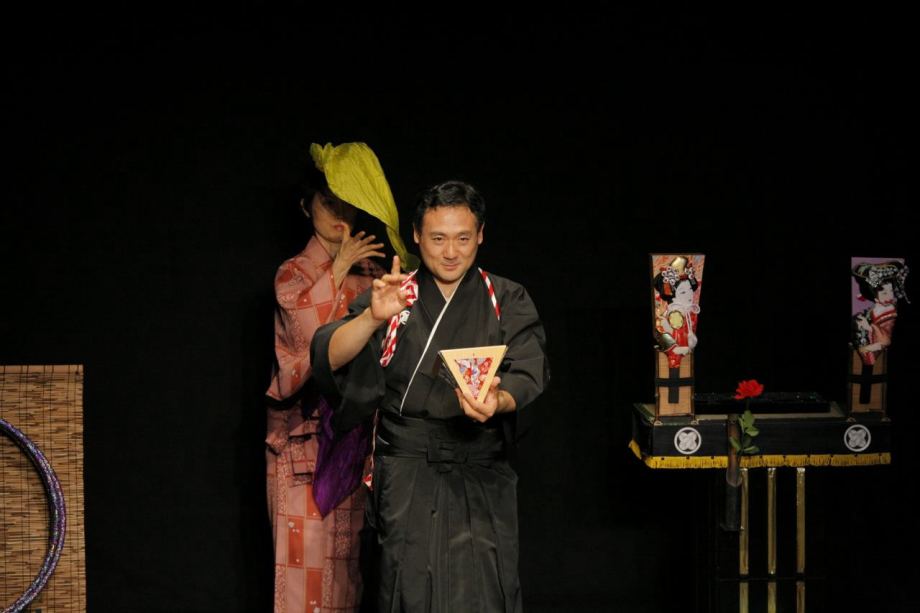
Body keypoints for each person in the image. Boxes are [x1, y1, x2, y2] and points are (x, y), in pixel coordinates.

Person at [310, 180, 549, 612]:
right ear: (417, 236)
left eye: (463, 238)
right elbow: (329, 355)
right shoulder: (394, 295)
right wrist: (371, 318)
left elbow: (529, 368)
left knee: (486, 592)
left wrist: (498, 401)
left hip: (481, 466)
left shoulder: (505, 297)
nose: (451, 252)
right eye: (438, 238)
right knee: (408, 592)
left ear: (481, 235)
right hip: (407, 469)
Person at [265, 142, 415, 613]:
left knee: (346, 579)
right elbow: (311, 346)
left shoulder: (374, 273)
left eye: (346, 203)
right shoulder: (293, 273)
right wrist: (339, 268)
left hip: (354, 443)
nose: (339, 214)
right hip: (303, 445)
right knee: (303, 578)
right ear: (306, 206)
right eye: (328, 202)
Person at [851, 260, 910, 366]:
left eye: (891, 291)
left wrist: (868, 328)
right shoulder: (876, 309)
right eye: (884, 293)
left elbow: (885, 341)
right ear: (874, 297)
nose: (890, 296)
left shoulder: (890, 312)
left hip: (878, 347)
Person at [653, 256, 701, 368]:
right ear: (673, 296)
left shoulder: (691, 311)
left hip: (687, 347)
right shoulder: (672, 312)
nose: (689, 294)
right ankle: (674, 350)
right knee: (664, 326)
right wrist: (666, 324)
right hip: (674, 348)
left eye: (690, 290)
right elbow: (667, 330)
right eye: (683, 292)